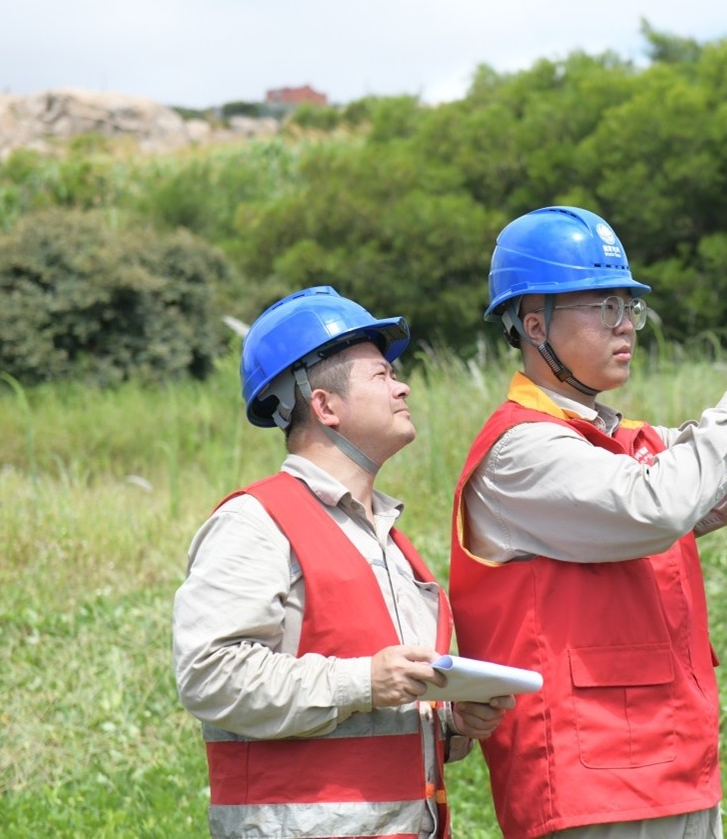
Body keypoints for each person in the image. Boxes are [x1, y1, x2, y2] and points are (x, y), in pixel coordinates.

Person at [448, 207, 727, 838]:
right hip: (586, 784)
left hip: (675, 764)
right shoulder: (521, 451)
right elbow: (657, 507)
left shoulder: (628, 442)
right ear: (533, 324)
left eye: (630, 307)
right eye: (602, 308)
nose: (625, 325)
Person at [173, 285, 513, 839]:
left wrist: (450, 720)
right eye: (380, 375)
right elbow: (210, 676)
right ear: (325, 406)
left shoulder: (391, 542)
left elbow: (378, 706)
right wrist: (364, 680)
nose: (402, 385)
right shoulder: (256, 523)